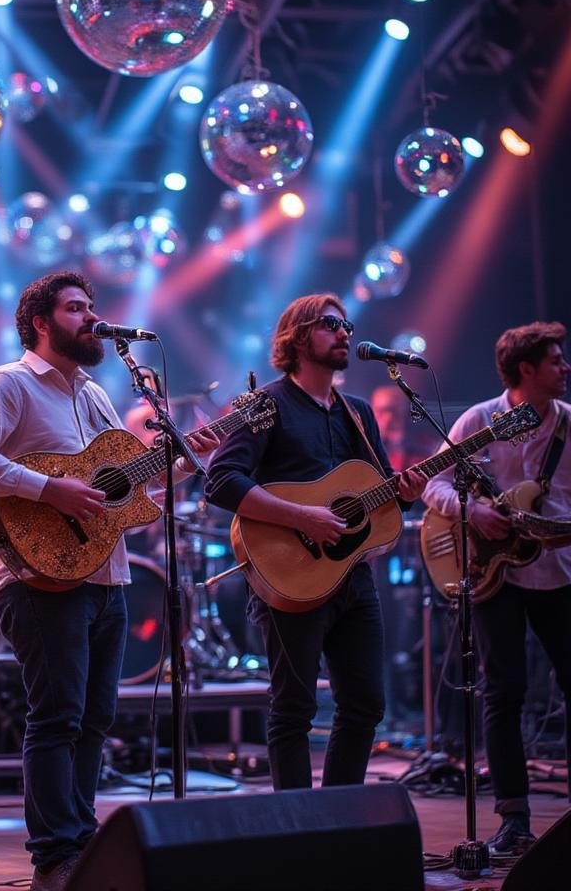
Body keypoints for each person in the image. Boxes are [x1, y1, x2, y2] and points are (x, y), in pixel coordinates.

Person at [0, 272, 217, 891]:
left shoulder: (94, 392)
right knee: (57, 716)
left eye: (93, 306)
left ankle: (82, 843)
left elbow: (122, 491)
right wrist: (48, 488)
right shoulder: (9, 382)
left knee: (96, 717)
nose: (91, 317)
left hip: (105, 573)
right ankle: (53, 857)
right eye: (75, 308)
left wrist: (177, 457)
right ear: (40, 322)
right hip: (35, 573)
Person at [204, 293, 426, 791]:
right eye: (331, 324)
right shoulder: (264, 405)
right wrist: (303, 515)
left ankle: (339, 816)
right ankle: (297, 826)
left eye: (346, 324)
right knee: (294, 709)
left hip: (352, 576)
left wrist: (405, 493)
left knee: (366, 705)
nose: (345, 332)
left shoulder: (359, 412)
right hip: (289, 573)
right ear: (298, 337)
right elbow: (220, 481)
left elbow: (378, 494)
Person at [422, 321, 571, 855]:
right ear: (525, 370)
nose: (565, 367)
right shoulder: (479, 421)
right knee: (503, 692)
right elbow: (434, 484)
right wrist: (474, 509)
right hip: (495, 573)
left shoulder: (568, 425)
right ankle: (514, 818)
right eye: (555, 360)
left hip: (558, 571)